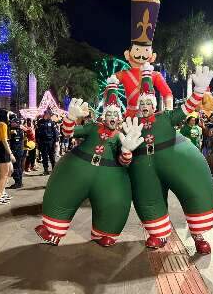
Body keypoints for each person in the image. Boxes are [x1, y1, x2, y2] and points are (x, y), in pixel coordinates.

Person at [35, 81, 144, 247]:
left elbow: (124, 162)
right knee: (63, 194)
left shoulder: (122, 136)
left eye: (115, 115)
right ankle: (52, 231)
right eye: (109, 115)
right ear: (104, 116)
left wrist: (127, 150)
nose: (112, 118)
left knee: (113, 201)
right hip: (79, 169)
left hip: (108, 177)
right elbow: (68, 133)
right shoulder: (93, 128)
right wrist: (71, 117)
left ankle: (105, 232)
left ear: (120, 118)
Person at [127, 63, 213, 254]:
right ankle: (158, 234)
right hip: (145, 167)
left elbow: (187, 108)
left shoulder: (165, 117)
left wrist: (199, 90)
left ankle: (199, 236)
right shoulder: (132, 123)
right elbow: (120, 148)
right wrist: (126, 151)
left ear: (153, 104)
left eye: (147, 103)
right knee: (148, 199)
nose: (144, 107)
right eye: (141, 104)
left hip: (176, 162)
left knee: (194, 192)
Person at [113, 0, 173, 117]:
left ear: (152, 56)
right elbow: (110, 88)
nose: (141, 55)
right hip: (128, 118)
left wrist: (169, 110)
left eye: (146, 50)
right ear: (128, 54)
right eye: (137, 50)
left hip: (149, 118)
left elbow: (167, 93)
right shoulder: (122, 74)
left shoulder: (155, 75)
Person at [0, 109, 16, 204]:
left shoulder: (1, 124)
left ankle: (2, 192)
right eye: (7, 114)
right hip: (2, 150)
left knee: (9, 171)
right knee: (4, 175)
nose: (8, 117)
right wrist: (11, 154)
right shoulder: (2, 124)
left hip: (2, 149)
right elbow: (4, 140)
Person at [36, 110, 59, 175]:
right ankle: (46, 170)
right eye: (49, 114)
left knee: (52, 156)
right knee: (44, 157)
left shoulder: (52, 122)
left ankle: (54, 169)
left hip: (50, 142)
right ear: (46, 114)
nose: (50, 116)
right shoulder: (40, 122)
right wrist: (37, 142)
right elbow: (37, 132)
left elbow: (55, 133)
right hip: (42, 142)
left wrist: (56, 141)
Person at [8, 115, 24, 189]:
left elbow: (16, 143)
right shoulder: (14, 130)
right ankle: (19, 182)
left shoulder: (17, 131)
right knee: (18, 166)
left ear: (17, 123)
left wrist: (13, 152)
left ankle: (18, 182)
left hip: (17, 151)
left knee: (16, 167)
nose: (11, 123)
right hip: (18, 151)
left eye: (13, 122)